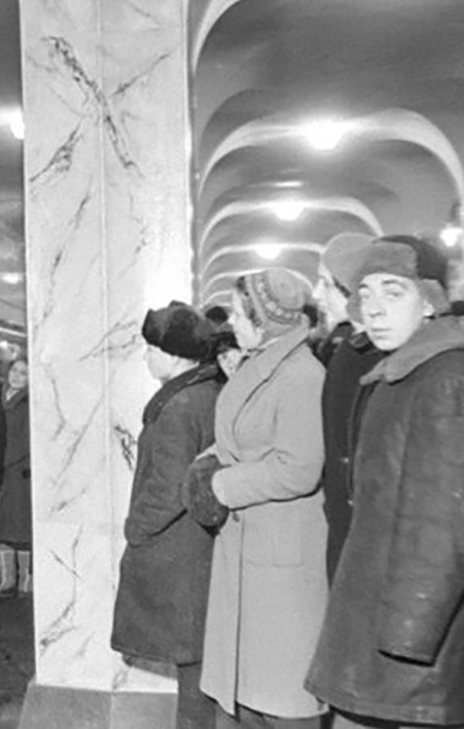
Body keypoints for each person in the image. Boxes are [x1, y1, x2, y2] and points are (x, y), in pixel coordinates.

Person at [306, 236, 464, 728]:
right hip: (382, 630)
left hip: (409, 653)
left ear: (429, 301)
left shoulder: (449, 379)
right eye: (366, 293)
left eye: (393, 291)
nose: (375, 308)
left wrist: (405, 640)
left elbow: (446, 529)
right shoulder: (404, 372)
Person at [186, 267, 327, 728]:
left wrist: (223, 485)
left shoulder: (302, 376)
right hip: (248, 551)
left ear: (263, 322)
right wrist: (208, 461)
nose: (231, 322)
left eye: (238, 313)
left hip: (280, 559)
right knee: (245, 694)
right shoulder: (261, 365)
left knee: (280, 699)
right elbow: (239, 438)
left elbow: (298, 468)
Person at [112, 302, 221, 729]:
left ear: (174, 356)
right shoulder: (204, 393)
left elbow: (169, 486)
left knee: (191, 663)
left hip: (179, 550)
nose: (146, 357)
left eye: (151, 349)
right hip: (197, 547)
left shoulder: (179, 405)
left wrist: (136, 528)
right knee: (196, 662)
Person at [311, 232, 383, 581]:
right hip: (344, 534)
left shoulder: (379, 358)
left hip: (369, 545)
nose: (316, 294)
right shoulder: (348, 353)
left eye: (326, 283)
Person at [0, 356, 31, 597]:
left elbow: (24, 442)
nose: (16, 376)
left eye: (23, 373)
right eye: (15, 370)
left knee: (21, 529)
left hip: (17, 473)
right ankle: (6, 579)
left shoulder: (29, 404)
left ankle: (26, 580)